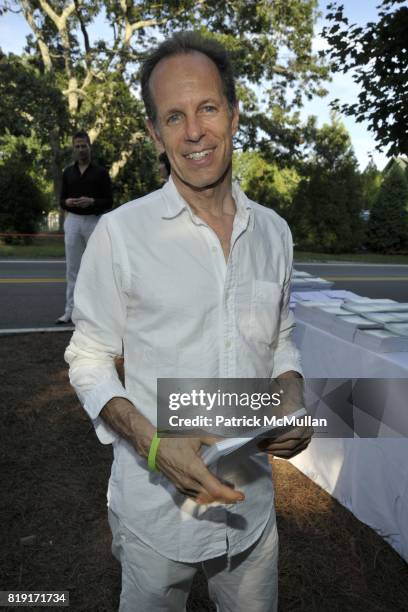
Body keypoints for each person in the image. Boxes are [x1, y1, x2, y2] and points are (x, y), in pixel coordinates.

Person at [65, 32, 312, 612]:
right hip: (157, 517)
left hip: (250, 512)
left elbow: (280, 339)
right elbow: (88, 357)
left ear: (233, 112)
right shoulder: (121, 234)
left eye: (206, 108)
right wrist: (154, 447)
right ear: (155, 133)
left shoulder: (274, 232)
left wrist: (292, 399)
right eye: (173, 117)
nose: (194, 131)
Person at [56, 131, 113, 324]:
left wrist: (92, 201)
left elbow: (109, 202)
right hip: (73, 221)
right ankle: (70, 311)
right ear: (73, 149)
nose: (81, 150)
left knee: (96, 268)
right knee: (73, 269)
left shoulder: (101, 173)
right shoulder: (68, 173)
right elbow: (61, 201)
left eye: (84, 146)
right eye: (77, 146)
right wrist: (68, 202)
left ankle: (97, 314)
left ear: (90, 147)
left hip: (94, 221)